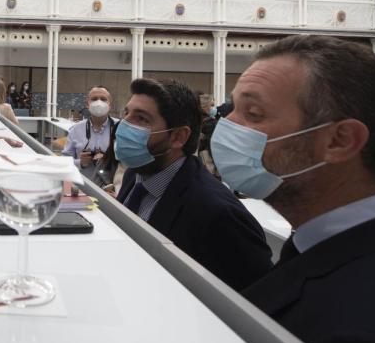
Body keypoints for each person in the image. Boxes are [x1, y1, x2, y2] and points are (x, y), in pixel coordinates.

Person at [211, 35, 375, 343]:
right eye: (233, 108)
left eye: (253, 113)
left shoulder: (367, 331)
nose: (226, 125)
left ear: (340, 141)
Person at [115, 78, 272, 290]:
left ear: (178, 136)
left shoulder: (218, 214)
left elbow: (253, 304)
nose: (123, 125)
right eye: (127, 114)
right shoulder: (135, 175)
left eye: (141, 119)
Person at [61, 86, 119, 187]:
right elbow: (64, 162)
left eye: (103, 99)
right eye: (94, 99)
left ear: (110, 104)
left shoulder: (120, 127)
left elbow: (128, 163)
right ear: (87, 104)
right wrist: (81, 162)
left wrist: (108, 158)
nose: (99, 102)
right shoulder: (75, 130)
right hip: (83, 187)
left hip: (111, 187)